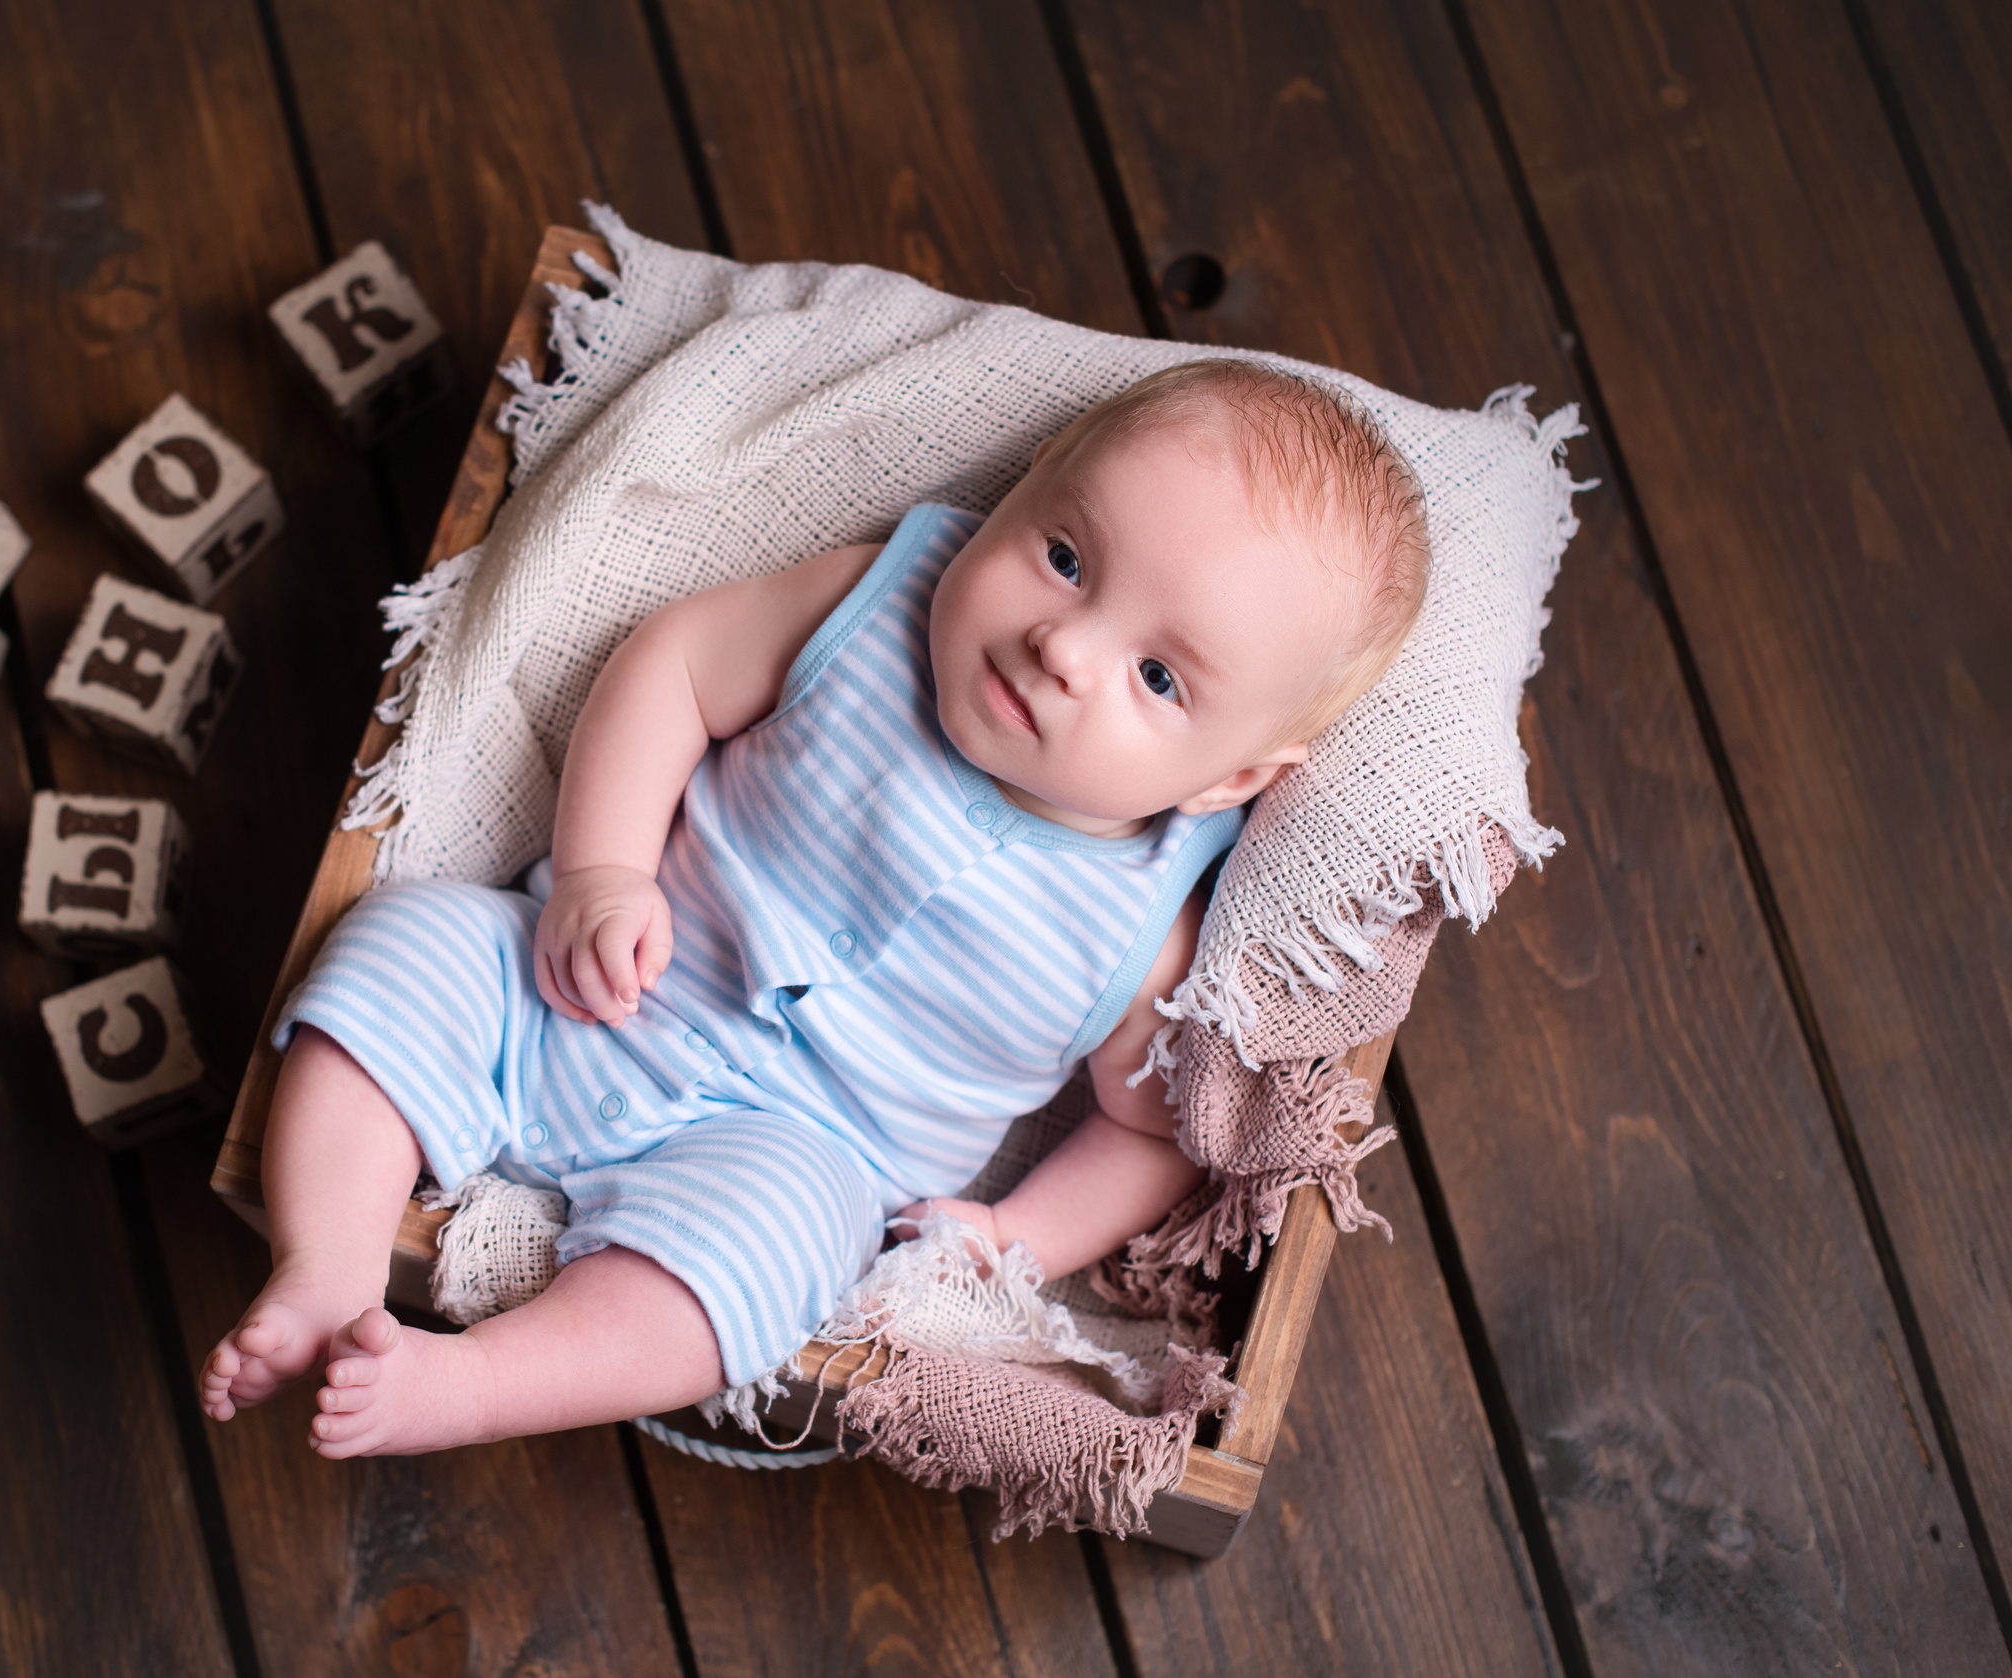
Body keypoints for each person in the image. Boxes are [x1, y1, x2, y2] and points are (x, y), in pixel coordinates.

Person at [198, 358, 1429, 1456]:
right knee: (403, 947)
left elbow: (1148, 1133)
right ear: (1031, 482)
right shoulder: (870, 610)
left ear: (1231, 778)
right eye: (1063, 556)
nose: (1062, 644)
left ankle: (479, 1381)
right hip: (578, 983)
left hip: (790, 1150)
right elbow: (673, 667)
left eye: (1158, 676)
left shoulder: (1141, 930)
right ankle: (329, 1260)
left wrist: (1012, 1237)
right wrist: (601, 872)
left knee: (766, 1269)